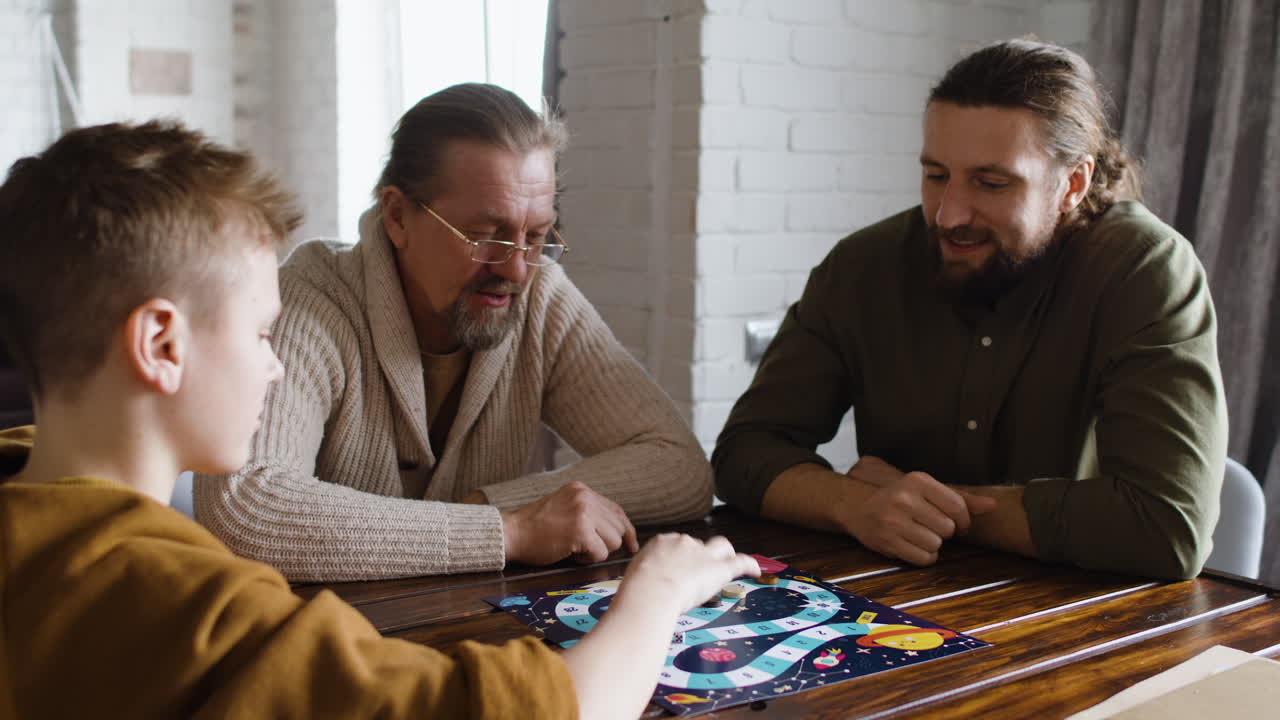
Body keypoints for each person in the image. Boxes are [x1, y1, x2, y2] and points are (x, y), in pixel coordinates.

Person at [0, 120, 759, 719]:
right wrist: (655, 593)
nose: (274, 363)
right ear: (161, 344)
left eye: (536, 237)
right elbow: (563, 708)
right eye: (263, 334)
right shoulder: (202, 615)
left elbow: (675, 462)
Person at [713, 38, 1227, 581]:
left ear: (1072, 183)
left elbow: (1166, 530)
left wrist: (923, 507)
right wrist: (854, 504)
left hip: (1087, 614)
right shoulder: (864, 265)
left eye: (991, 183)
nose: (949, 213)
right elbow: (744, 454)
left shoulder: (1144, 270)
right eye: (936, 175)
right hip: (898, 600)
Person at [194, 83, 713, 582]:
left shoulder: (541, 298)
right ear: (397, 216)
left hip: (466, 625)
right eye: (485, 236)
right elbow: (249, 508)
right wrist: (508, 531)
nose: (516, 271)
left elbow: (681, 469)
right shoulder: (309, 300)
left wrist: (484, 509)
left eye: (535, 236)